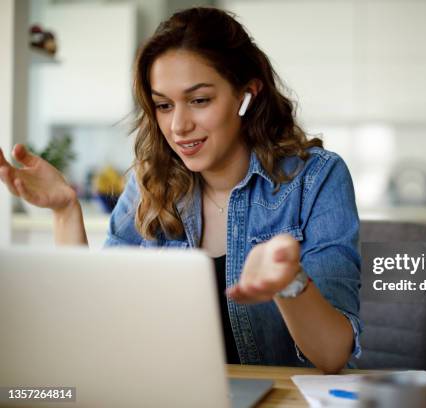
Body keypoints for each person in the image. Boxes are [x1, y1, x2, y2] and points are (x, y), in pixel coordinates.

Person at [0, 7, 361, 373]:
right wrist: (65, 212)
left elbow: (332, 355)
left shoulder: (316, 178)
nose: (178, 125)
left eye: (199, 100)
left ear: (247, 95)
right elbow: (93, 322)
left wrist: (289, 281)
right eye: (163, 105)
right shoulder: (150, 183)